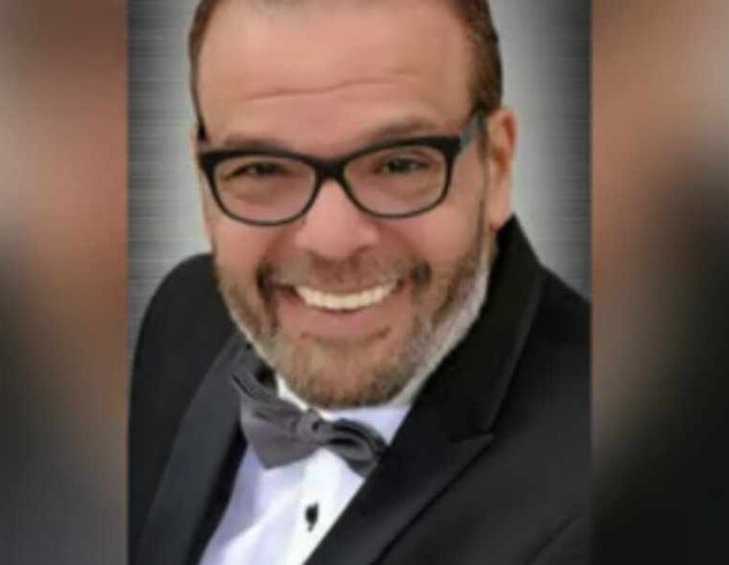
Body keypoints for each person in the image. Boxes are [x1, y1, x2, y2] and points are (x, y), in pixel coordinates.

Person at [130, 1, 589, 563]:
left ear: (496, 164)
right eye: (262, 168)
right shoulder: (183, 319)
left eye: (399, 164)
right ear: (205, 181)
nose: (333, 241)